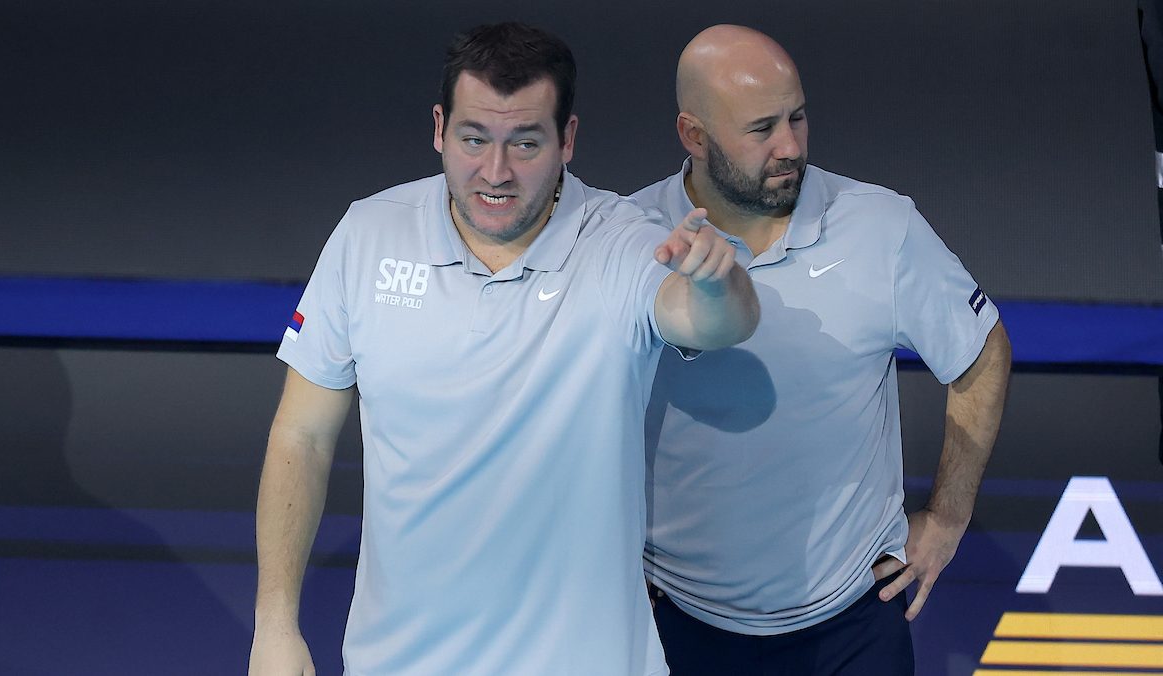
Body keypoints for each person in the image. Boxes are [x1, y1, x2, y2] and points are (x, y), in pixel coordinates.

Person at [248, 22, 759, 676]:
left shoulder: (621, 241)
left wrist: (717, 282)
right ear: (439, 128)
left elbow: (717, 323)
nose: (496, 172)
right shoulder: (367, 235)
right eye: (474, 139)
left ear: (567, 139)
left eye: (524, 143)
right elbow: (302, 436)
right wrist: (274, 624)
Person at [632, 25, 1012, 674]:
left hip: (852, 630)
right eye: (761, 129)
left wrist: (949, 516)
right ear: (694, 135)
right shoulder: (630, 236)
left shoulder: (881, 227)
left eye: (797, 118)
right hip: (677, 628)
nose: (789, 146)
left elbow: (982, 351)